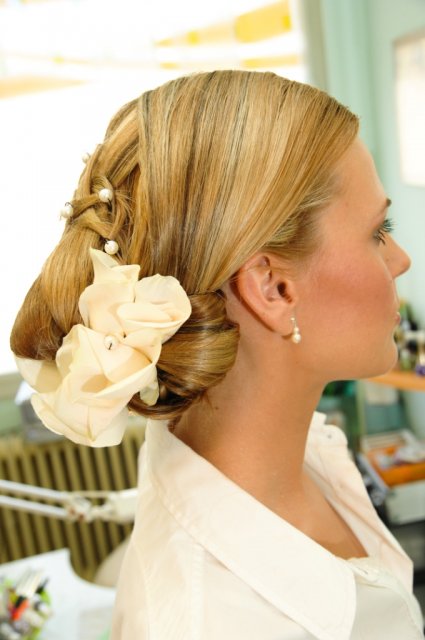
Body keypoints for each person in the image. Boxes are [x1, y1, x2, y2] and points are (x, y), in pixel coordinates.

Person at [10, 71, 423, 639]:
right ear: (273, 288)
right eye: (379, 231)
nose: (400, 259)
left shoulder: (290, 454)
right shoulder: (212, 623)